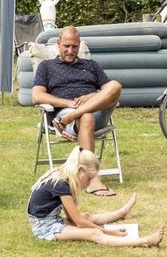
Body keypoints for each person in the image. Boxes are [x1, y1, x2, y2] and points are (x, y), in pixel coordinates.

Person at [32, 26, 123, 196]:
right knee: (86, 117)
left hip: (91, 113)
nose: (70, 50)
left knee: (115, 86)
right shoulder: (46, 66)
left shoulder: (91, 65)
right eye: (66, 46)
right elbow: (37, 96)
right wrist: (69, 104)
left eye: (74, 47)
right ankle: (93, 180)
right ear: (58, 44)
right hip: (64, 113)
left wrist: (91, 96)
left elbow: (109, 90)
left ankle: (73, 116)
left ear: (79, 45)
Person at [27, 146, 164, 247]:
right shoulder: (61, 185)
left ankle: (123, 212)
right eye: (89, 178)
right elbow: (79, 223)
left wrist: (85, 222)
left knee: (87, 217)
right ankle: (144, 241)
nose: (89, 183)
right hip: (44, 228)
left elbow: (73, 218)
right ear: (80, 170)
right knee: (94, 233)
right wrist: (108, 232)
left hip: (50, 220)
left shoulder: (62, 176)